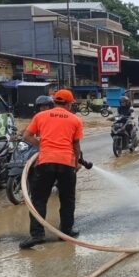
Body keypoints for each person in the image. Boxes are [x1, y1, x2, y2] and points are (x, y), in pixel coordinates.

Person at [20, 89, 84, 249]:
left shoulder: (40, 116)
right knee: (67, 199)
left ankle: (37, 235)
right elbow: (76, 145)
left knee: (39, 199)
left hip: (45, 161)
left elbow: (26, 136)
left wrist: (43, 145)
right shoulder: (75, 119)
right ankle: (66, 232)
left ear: (54, 102)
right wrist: (76, 162)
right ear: (69, 104)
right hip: (66, 162)